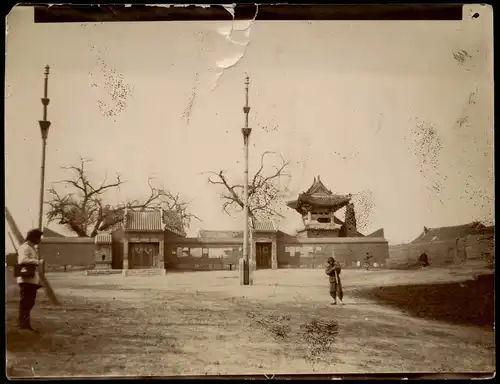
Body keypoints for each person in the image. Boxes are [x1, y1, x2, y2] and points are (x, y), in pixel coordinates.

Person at [16, 229, 43, 332]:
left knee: (29, 302)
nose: (39, 240)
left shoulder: (31, 248)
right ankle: (24, 325)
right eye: (38, 237)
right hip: (26, 279)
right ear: (33, 237)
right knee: (26, 303)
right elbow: (22, 260)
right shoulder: (25, 247)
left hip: (30, 279)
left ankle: (25, 324)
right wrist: (37, 261)